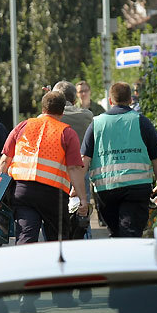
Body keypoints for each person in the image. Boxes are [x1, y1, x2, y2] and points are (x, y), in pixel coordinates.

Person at [0, 91, 88, 244]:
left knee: (26, 238)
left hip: (23, 191)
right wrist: (83, 199)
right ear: (62, 112)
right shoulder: (67, 132)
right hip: (53, 195)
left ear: (42, 109)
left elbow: (4, 162)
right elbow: (74, 169)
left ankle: (27, 266)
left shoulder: (22, 126)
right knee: (58, 243)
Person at [81, 82, 157, 237]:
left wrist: (78, 192)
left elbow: (84, 160)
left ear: (111, 101)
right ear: (130, 99)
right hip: (136, 188)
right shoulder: (141, 122)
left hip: (106, 191)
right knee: (130, 234)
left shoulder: (96, 124)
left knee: (117, 234)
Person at [53, 81, 94, 238]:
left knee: (57, 216)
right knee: (82, 216)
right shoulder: (87, 116)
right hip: (80, 174)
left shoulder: (52, 118)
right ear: (75, 99)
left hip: (55, 174)